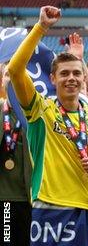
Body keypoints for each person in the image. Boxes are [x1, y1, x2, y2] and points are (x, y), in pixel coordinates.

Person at [8, 6, 88, 246]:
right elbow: (15, 69)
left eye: (76, 73)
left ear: (83, 77)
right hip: (48, 208)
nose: (71, 78)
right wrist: (41, 27)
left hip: (86, 209)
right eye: (64, 73)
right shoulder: (40, 109)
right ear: (53, 79)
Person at [0, 63, 32, 246]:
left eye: (17, 74)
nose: (11, 78)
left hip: (29, 200)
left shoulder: (35, 116)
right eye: (7, 75)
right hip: (5, 199)